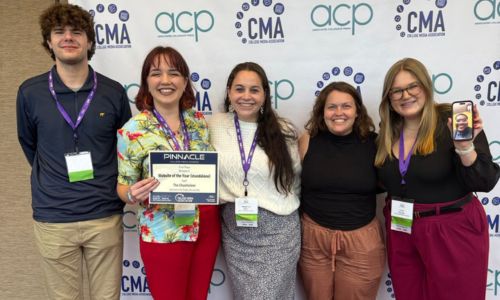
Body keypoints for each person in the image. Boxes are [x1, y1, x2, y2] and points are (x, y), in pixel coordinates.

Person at [16, 4, 132, 299]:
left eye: (77, 32)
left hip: (103, 215)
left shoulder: (113, 92)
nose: (68, 37)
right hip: (53, 217)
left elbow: (125, 150)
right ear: (48, 41)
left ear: (90, 41)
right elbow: (30, 145)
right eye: (59, 32)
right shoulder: (30, 93)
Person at [375, 57, 499, 300]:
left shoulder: (451, 120)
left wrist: (464, 147)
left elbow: (484, 182)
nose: (405, 95)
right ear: (389, 98)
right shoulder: (388, 132)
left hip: (451, 229)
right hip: (402, 227)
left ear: (426, 87)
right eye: (396, 91)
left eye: (413, 86)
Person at [116, 46, 220, 300]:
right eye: (156, 74)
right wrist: (131, 193)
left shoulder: (198, 121)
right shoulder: (131, 131)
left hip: (205, 225)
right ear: (146, 83)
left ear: (185, 81)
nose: (165, 80)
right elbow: (122, 187)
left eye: (173, 73)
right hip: (162, 230)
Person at [208, 62, 301, 299]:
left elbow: (296, 179)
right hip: (236, 231)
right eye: (239, 89)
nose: (246, 96)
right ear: (229, 92)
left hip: (278, 231)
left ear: (265, 94)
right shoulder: (213, 125)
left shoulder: (284, 129)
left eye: (254, 90)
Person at [298, 81, 385, 300]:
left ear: (357, 112)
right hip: (314, 241)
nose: (339, 113)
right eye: (332, 107)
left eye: (346, 106)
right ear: (322, 112)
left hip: (361, 243)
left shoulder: (375, 144)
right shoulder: (307, 141)